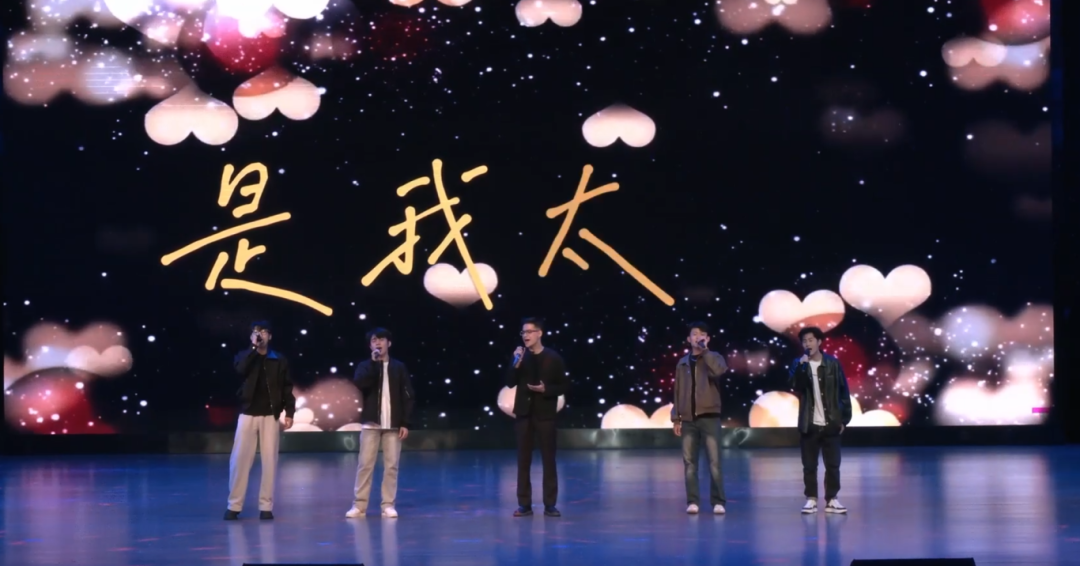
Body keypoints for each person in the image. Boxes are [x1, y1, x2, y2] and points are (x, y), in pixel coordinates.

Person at [225, 321, 295, 520]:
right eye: (256, 332)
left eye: (264, 332)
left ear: (270, 336)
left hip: (270, 415)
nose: (260, 335)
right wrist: (253, 350)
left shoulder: (278, 359)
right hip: (247, 413)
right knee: (239, 460)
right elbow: (240, 370)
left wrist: (289, 411)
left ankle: (266, 506)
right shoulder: (245, 356)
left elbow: (286, 386)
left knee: (269, 461)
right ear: (251, 337)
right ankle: (234, 505)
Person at [347, 328, 414, 519]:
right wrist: (374, 364)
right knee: (365, 465)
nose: (378, 343)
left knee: (391, 466)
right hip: (371, 424)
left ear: (389, 343)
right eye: (374, 340)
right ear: (370, 346)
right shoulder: (365, 366)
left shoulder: (399, 367)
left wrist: (405, 422)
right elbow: (360, 384)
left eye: (382, 339)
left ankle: (388, 505)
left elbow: (408, 395)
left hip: (393, 425)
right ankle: (359, 506)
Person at [506, 317, 569, 517]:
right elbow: (509, 382)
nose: (525, 336)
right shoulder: (519, 356)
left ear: (539, 333)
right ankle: (524, 504)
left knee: (548, 460)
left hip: (545, 415)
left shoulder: (553, 358)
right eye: (523, 332)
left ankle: (550, 504)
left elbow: (564, 386)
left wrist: (545, 389)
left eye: (529, 332)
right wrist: (515, 363)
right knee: (523, 460)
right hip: (524, 414)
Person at [788, 326, 852, 514]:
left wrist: (844, 420)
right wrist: (802, 367)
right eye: (804, 341)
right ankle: (811, 499)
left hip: (831, 422)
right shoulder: (798, 363)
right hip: (809, 423)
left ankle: (832, 499)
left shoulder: (833, 363)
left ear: (819, 342)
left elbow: (844, 392)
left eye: (810, 340)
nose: (807, 344)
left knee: (833, 465)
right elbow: (795, 385)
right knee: (809, 465)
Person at [670, 321, 729, 515]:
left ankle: (718, 501)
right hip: (688, 419)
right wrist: (676, 418)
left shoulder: (714, 357)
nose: (698, 337)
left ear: (708, 338)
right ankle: (693, 501)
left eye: (702, 334)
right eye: (694, 334)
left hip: (709, 416)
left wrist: (706, 352)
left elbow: (719, 371)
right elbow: (677, 391)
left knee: (714, 462)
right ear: (688, 339)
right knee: (689, 463)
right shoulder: (682, 363)